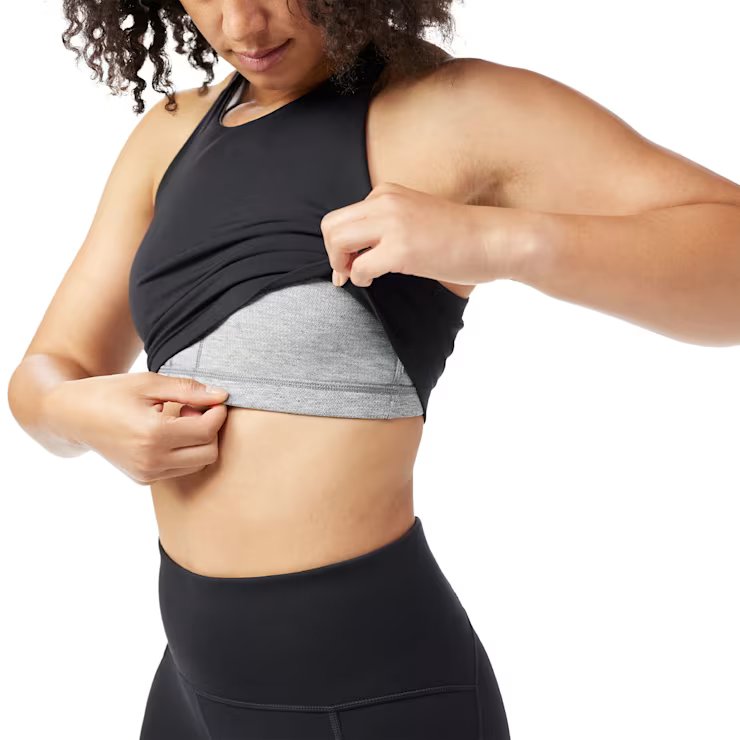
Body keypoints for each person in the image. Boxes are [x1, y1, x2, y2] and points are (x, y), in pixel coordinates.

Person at [8, 1, 740, 739]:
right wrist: (77, 414)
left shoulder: (459, 112)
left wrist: (499, 242)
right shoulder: (169, 135)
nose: (242, 25)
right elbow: (48, 369)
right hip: (189, 693)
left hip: (376, 697)